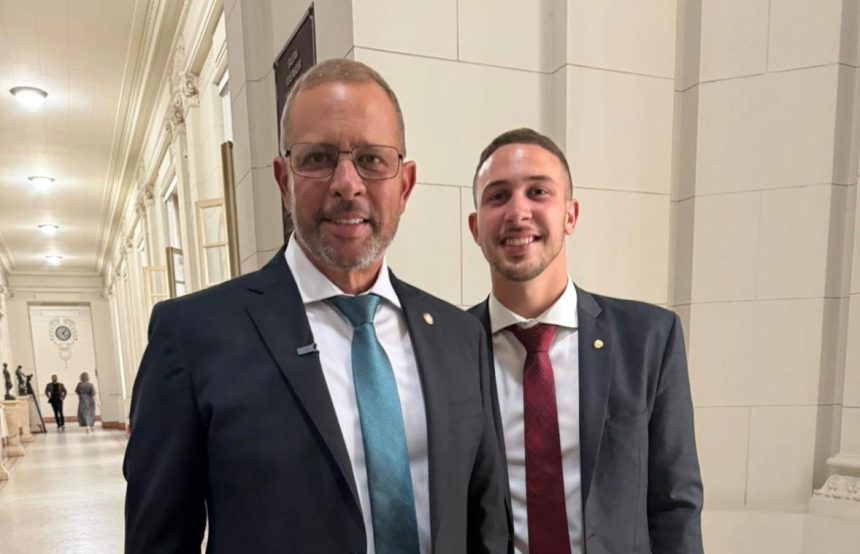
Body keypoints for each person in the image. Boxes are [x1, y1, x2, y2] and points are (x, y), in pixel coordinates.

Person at [124, 59, 508, 554]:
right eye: (319, 158)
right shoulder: (193, 337)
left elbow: (486, 524)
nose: (347, 184)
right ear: (284, 181)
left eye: (371, 159)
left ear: (405, 184)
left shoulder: (460, 336)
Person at [467, 128, 703, 553]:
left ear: (570, 215)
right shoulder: (448, 348)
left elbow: (675, 505)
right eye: (497, 196)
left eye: (538, 191)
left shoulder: (649, 338)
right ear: (475, 227)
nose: (518, 211)